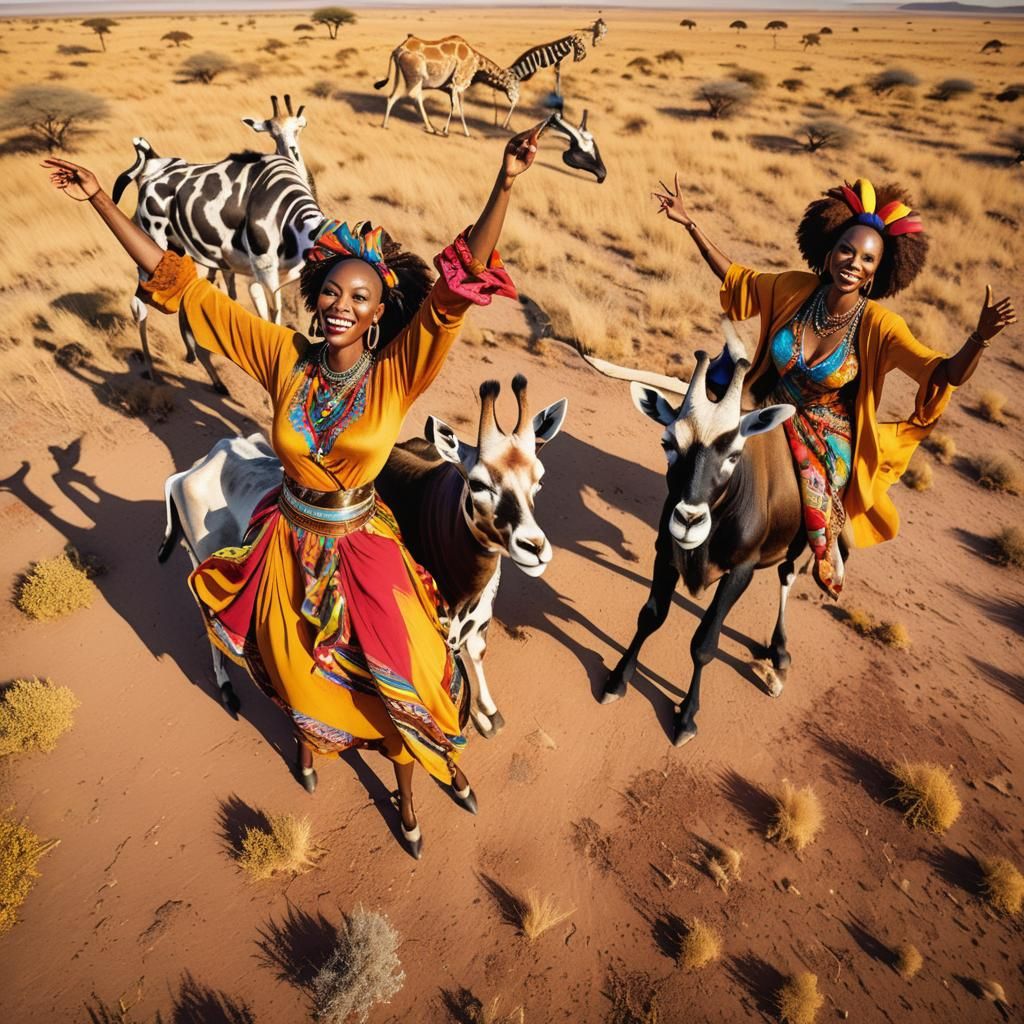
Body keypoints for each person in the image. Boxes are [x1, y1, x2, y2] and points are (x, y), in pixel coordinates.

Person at [44, 125, 542, 858]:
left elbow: (455, 287)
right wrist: (100, 201)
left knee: (405, 678)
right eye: (332, 291)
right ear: (313, 297)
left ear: (379, 314)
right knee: (296, 674)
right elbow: (188, 288)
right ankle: (315, 747)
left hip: (365, 552)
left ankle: (414, 793)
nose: (342, 304)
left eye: (361, 298)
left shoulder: (398, 372)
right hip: (287, 547)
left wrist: (506, 180)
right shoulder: (284, 358)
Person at [652, 174, 1016, 596]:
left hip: (827, 427)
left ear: (877, 272)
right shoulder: (795, 289)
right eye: (847, 249)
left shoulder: (881, 326)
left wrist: (980, 338)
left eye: (866, 259)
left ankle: (829, 541)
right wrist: (690, 223)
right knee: (700, 435)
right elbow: (739, 279)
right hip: (766, 399)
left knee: (818, 487)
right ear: (829, 252)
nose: (853, 263)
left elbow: (943, 374)